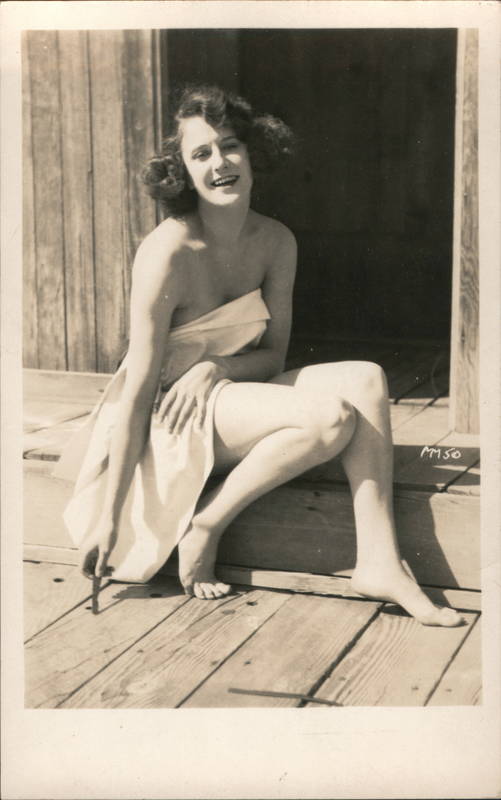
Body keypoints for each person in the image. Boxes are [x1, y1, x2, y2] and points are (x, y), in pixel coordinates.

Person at [57, 85, 463, 626]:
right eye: (200, 153)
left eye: (229, 146)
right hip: (166, 421)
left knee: (365, 378)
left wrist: (216, 366)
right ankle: (207, 524)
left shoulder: (276, 242)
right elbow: (136, 391)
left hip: (226, 397)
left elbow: (273, 356)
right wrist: (110, 514)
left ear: (253, 153)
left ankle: (380, 562)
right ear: (181, 171)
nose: (219, 163)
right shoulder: (167, 251)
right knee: (328, 418)